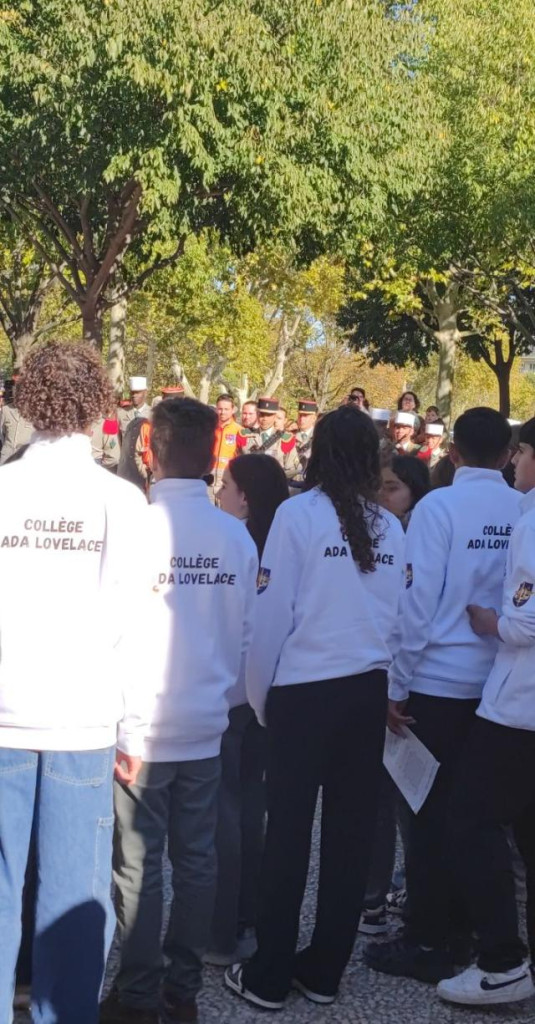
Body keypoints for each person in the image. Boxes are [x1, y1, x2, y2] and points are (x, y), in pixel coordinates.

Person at [224, 405, 405, 1010]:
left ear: (317, 453)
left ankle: (269, 974)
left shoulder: (298, 516)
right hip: (364, 691)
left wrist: (261, 696)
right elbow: (395, 622)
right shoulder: (390, 526)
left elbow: (270, 619)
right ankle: (325, 969)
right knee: (350, 836)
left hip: (304, 692)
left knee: (289, 836)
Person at [0, 342, 150, 1024]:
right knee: (71, 898)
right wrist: (134, 727)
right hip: (82, 722)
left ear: (26, 400)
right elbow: (134, 622)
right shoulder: (120, 500)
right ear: (99, 405)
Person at [105, 398, 258, 1024]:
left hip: (142, 726)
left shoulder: (135, 529)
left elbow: (110, 634)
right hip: (206, 722)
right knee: (196, 860)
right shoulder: (235, 535)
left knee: (139, 866)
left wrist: (121, 723)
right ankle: (181, 989)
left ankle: (141, 993)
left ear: (152, 450)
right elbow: (247, 635)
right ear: (210, 455)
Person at [365, 408, 522, 985]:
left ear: (452, 452)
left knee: (427, 817)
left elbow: (416, 604)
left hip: (435, 684)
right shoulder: (520, 508)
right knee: (478, 822)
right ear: (507, 455)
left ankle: (430, 939)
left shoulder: (438, 508)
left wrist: (395, 685)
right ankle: (471, 929)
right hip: (496, 685)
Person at [436, 417, 535, 1007]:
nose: (515, 463)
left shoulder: (531, 520)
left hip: (518, 705)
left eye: (522, 452)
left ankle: (502, 961)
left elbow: (527, 618)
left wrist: (489, 622)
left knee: (470, 819)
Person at [206, 455, 289, 967]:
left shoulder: (237, 544)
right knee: (251, 809)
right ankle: (247, 916)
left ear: (246, 498)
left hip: (234, 696)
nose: (220, 490)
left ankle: (222, 927)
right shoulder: (274, 544)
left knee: (226, 815)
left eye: (228, 484)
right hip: (266, 695)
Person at [236, 397, 300, 480]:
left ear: (274, 416)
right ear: (258, 414)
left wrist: (276, 477)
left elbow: (293, 468)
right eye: (262, 414)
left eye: (269, 415)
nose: (265, 418)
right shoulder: (244, 435)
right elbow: (237, 462)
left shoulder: (285, 439)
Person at [379, 456, 431, 530]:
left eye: (391, 488)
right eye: (377, 487)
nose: (380, 494)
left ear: (415, 492)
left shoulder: (426, 529)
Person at [0, 375, 34, 464]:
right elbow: (2, 433)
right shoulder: (6, 410)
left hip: (24, 458)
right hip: (6, 457)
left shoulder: (34, 412)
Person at [212, 393, 240, 495]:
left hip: (227, 479)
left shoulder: (239, 430)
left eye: (226, 409)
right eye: (220, 409)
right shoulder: (209, 428)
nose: (222, 412)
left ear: (232, 410)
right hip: (209, 479)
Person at [291, 399, 318, 487]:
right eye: (300, 415)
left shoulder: (319, 437)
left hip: (311, 483)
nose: (301, 419)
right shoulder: (289, 436)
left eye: (305, 416)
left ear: (314, 418)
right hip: (291, 482)